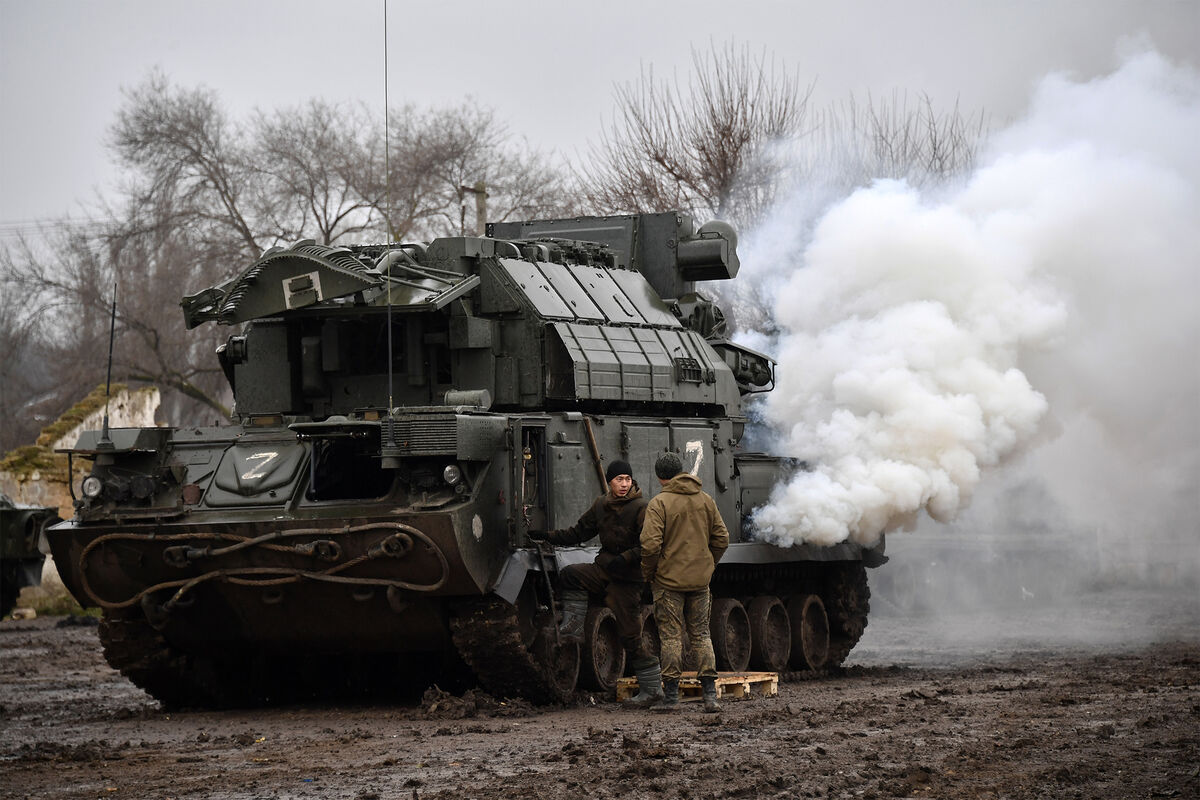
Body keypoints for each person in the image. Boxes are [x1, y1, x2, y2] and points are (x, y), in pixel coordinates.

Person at [527, 459, 664, 707]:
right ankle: (573, 626)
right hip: (603, 570)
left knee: (630, 636)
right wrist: (546, 536)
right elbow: (578, 532)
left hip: (628, 579)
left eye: (627, 479)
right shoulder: (601, 505)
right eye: (618, 480)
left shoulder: (642, 507)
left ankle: (653, 690)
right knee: (570, 574)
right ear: (610, 482)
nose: (623, 484)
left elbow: (650, 545)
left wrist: (625, 559)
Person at [640, 452, 729, 713]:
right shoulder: (705, 499)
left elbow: (650, 545)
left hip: (668, 582)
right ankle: (710, 696)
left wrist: (650, 573)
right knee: (701, 634)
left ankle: (671, 697)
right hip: (700, 582)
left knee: (670, 638)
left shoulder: (659, 503)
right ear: (681, 472)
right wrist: (707, 564)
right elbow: (722, 538)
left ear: (660, 477)